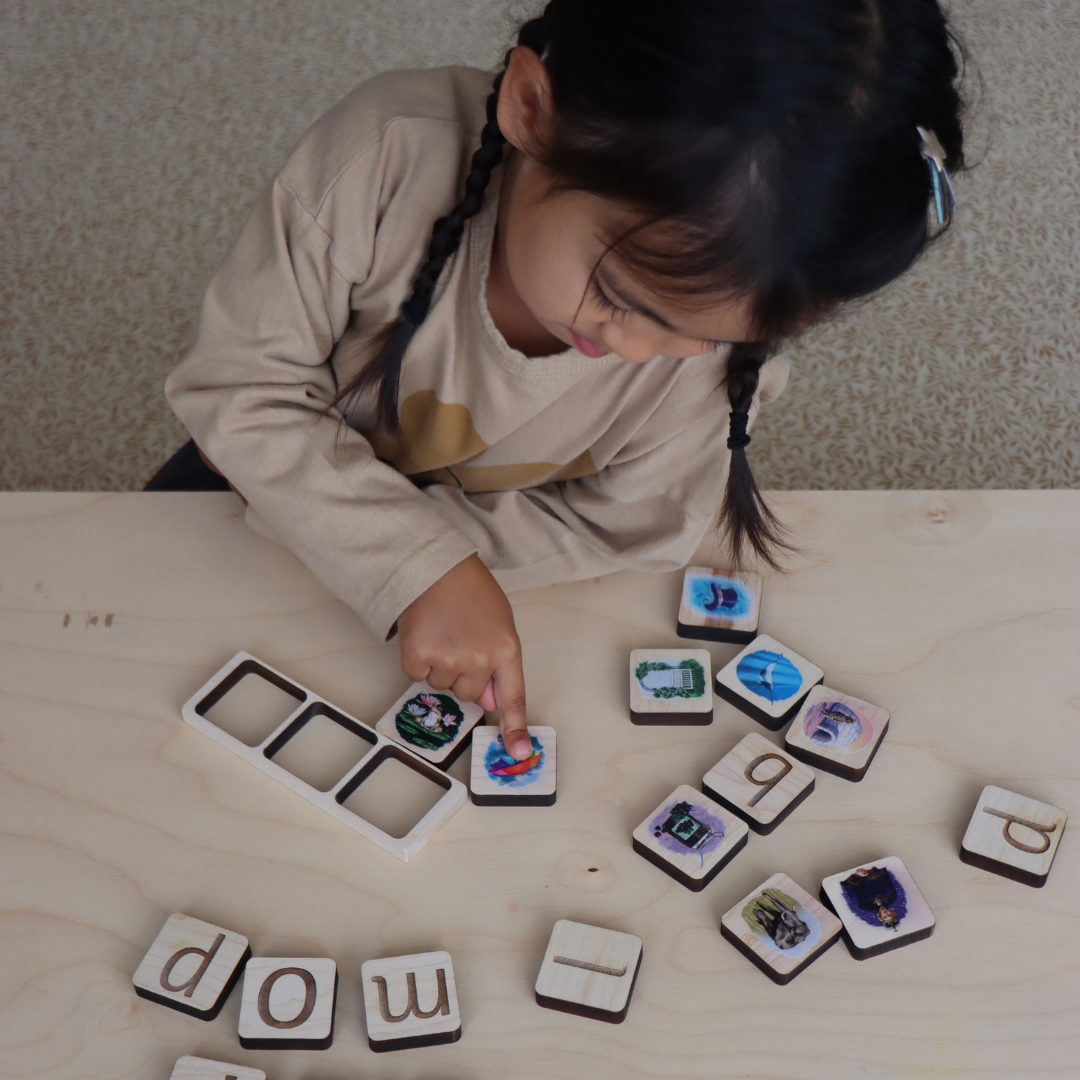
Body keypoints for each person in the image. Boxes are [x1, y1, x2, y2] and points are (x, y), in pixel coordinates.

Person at [157, 0, 966, 760]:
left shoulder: (704, 364)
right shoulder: (385, 157)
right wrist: (415, 564)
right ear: (530, 109)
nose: (647, 352)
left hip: (395, 584)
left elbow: (633, 527)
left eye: (709, 336)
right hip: (243, 492)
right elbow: (239, 394)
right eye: (618, 297)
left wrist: (426, 569)